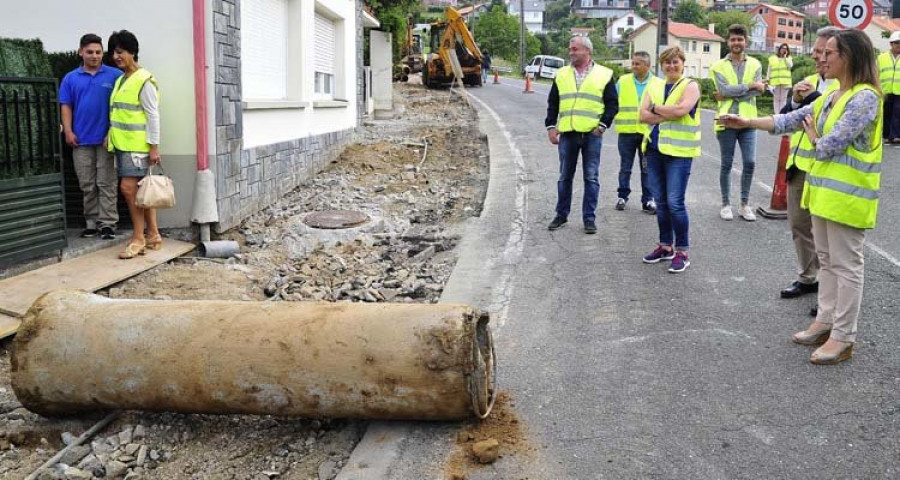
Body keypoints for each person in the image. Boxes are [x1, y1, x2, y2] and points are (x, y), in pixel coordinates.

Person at [718, 29, 882, 365]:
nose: (823, 58)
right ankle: (825, 321)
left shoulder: (864, 98)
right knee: (827, 262)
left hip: (848, 199)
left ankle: (843, 336)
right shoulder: (833, 94)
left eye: (830, 53)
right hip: (823, 195)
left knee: (847, 266)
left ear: (848, 56)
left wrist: (813, 136)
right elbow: (790, 119)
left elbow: (828, 146)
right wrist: (746, 121)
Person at [778, 27, 841, 309]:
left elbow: (830, 120)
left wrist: (812, 98)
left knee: (830, 238)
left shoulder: (847, 86)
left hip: (829, 171)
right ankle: (808, 277)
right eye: (816, 51)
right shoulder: (809, 80)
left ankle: (831, 297)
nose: (816, 57)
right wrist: (793, 99)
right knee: (799, 225)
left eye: (822, 52)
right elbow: (785, 120)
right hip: (800, 166)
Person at [545, 36, 618, 234]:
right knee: (564, 177)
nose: (571, 52)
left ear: (587, 51)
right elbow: (553, 103)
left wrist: (602, 126)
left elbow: (612, 104)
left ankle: (589, 218)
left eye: (575, 49)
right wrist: (551, 126)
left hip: (592, 135)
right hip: (568, 133)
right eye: (570, 49)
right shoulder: (561, 74)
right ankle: (561, 215)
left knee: (591, 177)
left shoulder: (604, 74)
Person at [638, 46, 701, 274]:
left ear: (683, 63)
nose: (671, 66)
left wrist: (655, 108)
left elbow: (681, 111)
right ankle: (665, 246)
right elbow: (641, 115)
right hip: (654, 149)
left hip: (679, 153)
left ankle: (682, 251)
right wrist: (665, 110)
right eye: (667, 63)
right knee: (661, 203)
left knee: (675, 203)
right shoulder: (654, 84)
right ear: (661, 65)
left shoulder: (690, 85)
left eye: (675, 62)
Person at [59, 33, 123, 240]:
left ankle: (108, 224)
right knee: (87, 184)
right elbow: (66, 106)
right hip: (81, 141)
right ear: (81, 52)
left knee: (107, 183)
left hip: (106, 140)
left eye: (98, 52)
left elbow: (121, 107)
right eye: (90, 52)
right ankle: (91, 222)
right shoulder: (71, 78)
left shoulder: (115, 76)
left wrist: (112, 133)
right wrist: (68, 131)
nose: (95, 56)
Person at [106, 30, 163, 259]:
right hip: (122, 145)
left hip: (138, 146)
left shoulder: (144, 80)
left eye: (120, 52)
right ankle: (154, 235)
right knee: (141, 191)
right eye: (114, 52)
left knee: (128, 189)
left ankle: (138, 238)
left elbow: (153, 115)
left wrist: (154, 146)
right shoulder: (122, 79)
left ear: (132, 52)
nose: (116, 56)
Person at [710, 24, 766, 222]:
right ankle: (726, 204)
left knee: (750, 162)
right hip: (726, 120)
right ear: (728, 42)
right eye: (733, 39)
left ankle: (744, 204)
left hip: (748, 121)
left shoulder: (756, 64)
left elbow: (731, 92)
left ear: (746, 41)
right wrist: (750, 85)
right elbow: (723, 90)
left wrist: (730, 92)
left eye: (740, 39)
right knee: (726, 163)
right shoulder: (718, 66)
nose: (736, 43)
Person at [614, 51, 661, 214]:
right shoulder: (623, 81)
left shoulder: (658, 83)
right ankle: (622, 196)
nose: (634, 66)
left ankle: (648, 200)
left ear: (648, 66)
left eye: (638, 63)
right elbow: (613, 102)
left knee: (647, 169)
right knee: (625, 167)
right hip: (626, 132)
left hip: (647, 134)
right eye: (633, 63)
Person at [877, 31, 900, 143]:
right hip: (885, 90)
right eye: (896, 43)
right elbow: (876, 73)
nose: (899, 45)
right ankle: (886, 135)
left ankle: (895, 136)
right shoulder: (882, 57)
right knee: (886, 113)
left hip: (899, 91)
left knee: (897, 113)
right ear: (891, 44)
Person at [767, 43, 793, 114]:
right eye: (782, 48)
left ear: (787, 50)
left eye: (785, 49)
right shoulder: (772, 58)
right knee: (776, 100)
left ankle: (782, 114)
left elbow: (790, 66)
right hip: (775, 82)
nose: (784, 50)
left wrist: (785, 57)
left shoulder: (789, 58)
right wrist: (767, 80)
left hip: (785, 82)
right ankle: (777, 115)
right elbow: (769, 70)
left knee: (783, 100)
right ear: (779, 49)